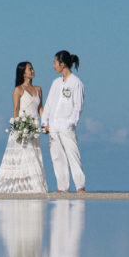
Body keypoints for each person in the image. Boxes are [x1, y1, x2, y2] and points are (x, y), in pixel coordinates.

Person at [0, 61, 49, 194]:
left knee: (34, 154)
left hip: (34, 127)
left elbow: (41, 109)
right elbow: (16, 110)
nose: (33, 71)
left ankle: (31, 187)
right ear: (23, 73)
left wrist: (45, 124)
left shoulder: (38, 89)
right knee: (26, 156)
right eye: (30, 69)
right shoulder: (18, 90)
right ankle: (25, 188)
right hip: (23, 127)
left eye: (33, 68)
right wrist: (18, 128)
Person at [42, 50, 86, 193]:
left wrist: (71, 122)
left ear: (62, 64)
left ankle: (80, 186)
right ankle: (62, 187)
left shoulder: (76, 83)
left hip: (66, 126)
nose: (53, 66)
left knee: (73, 155)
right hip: (53, 126)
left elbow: (78, 106)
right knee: (57, 158)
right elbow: (48, 104)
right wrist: (44, 123)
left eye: (55, 63)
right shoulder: (55, 83)